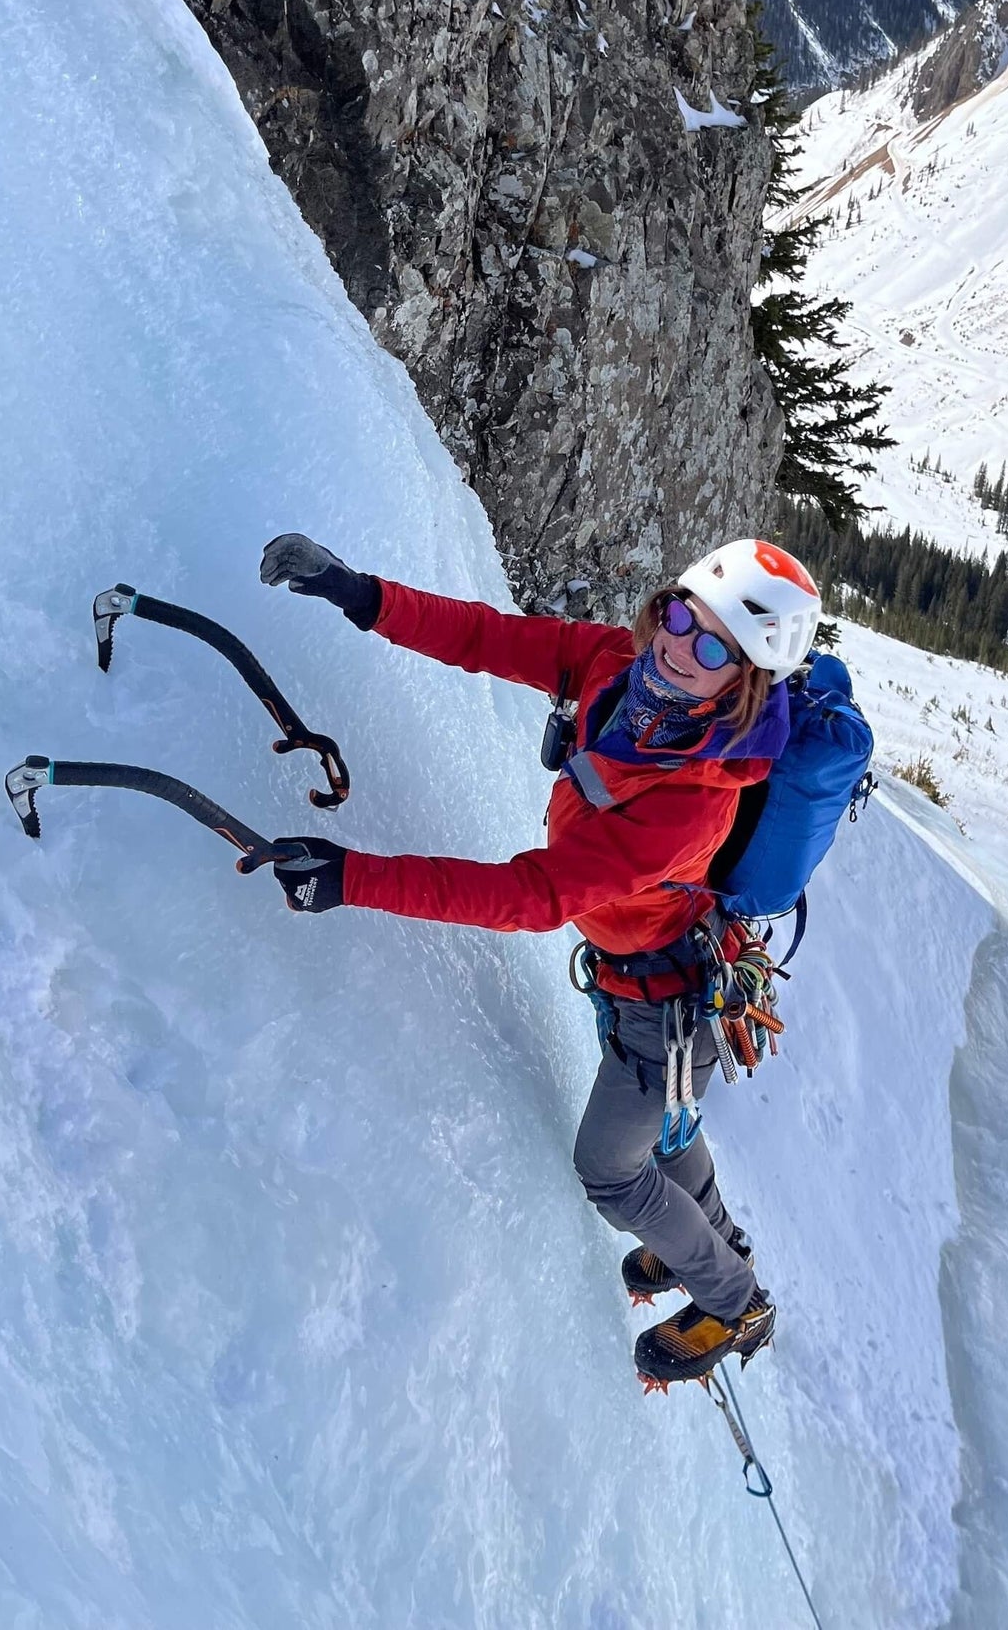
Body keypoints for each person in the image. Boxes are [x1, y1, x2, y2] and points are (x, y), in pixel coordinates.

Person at [257, 531, 822, 1387]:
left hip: (662, 1008)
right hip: (658, 988)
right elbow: (488, 637)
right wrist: (360, 592)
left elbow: (533, 894)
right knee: (669, 1135)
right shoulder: (616, 669)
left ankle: (733, 1296)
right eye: (678, 613)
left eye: (711, 645)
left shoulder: (689, 806)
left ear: (743, 681)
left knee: (610, 1171)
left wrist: (351, 875)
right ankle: (703, 1246)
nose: (675, 644)